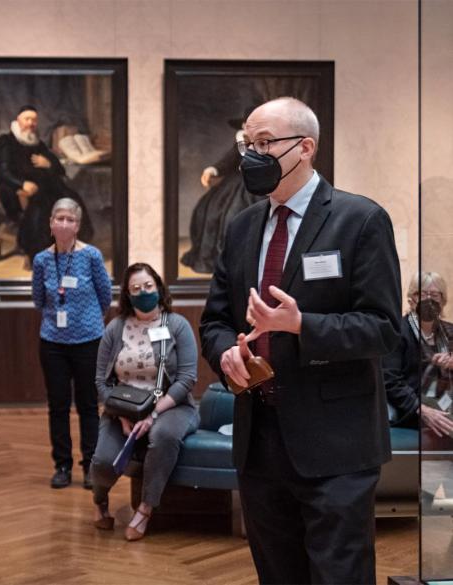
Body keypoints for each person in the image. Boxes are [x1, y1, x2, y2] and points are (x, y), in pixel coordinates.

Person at [199, 97, 402, 584]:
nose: (251, 154)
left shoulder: (361, 220)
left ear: (305, 147)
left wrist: (301, 325)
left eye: (265, 143)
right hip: (260, 441)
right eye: (248, 143)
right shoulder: (242, 226)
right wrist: (226, 351)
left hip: (337, 444)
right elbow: (215, 321)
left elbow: (383, 328)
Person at [91, 262, 199, 541]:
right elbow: (101, 381)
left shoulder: (177, 325)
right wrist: (120, 414)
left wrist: (152, 416)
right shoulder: (115, 328)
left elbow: (187, 378)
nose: (143, 293)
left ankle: (145, 508)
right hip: (122, 408)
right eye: (135, 289)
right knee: (103, 461)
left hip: (172, 406)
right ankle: (99, 499)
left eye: (148, 286)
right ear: (127, 294)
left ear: (159, 288)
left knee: (163, 436)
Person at [31, 198, 111, 489]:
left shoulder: (91, 256)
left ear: (78, 225)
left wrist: (86, 319)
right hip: (53, 342)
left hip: (89, 340)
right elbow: (39, 299)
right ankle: (61, 465)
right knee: (58, 406)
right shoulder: (41, 259)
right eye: (59, 218)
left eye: (70, 219)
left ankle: (90, 464)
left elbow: (105, 295)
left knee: (89, 405)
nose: (64, 224)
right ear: (51, 223)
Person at [0, 105, 93, 263]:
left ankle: (71, 246)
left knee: (71, 198)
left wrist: (48, 164)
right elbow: (4, 172)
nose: (31, 123)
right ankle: (40, 252)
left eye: (34, 120)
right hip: (17, 194)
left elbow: (59, 169)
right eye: (27, 119)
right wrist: (22, 184)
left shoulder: (36, 143)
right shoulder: (5, 142)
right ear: (18, 121)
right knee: (43, 206)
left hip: (44, 188)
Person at [181, 109, 262, 273]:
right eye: (247, 125)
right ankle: (222, 260)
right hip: (236, 183)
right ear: (243, 126)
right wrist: (213, 170)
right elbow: (229, 161)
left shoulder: (268, 143)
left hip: (260, 184)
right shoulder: (240, 143)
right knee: (210, 208)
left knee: (245, 215)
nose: (249, 129)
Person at [383, 271, 453, 441]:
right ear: (411, 299)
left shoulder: (450, 331)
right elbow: (390, 381)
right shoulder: (397, 332)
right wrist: (423, 410)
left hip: (446, 403)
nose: (429, 300)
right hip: (411, 410)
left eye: (434, 295)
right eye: (422, 294)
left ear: (442, 301)